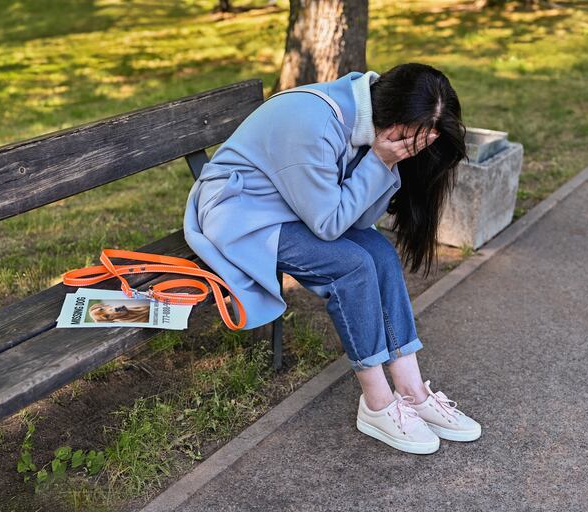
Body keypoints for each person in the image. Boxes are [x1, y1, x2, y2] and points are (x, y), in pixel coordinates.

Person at [183, 62, 481, 454]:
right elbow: (329, 224)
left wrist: (384, 161)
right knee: (352, 266)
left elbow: (357, 220)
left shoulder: (369, 120)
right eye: (412, 142)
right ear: (392, 120)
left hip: (292, 207)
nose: (414, 151)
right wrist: (381, 161)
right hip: (242, 214)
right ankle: (376, 404)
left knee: (380, 253)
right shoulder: (316, 125)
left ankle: (412, 391)